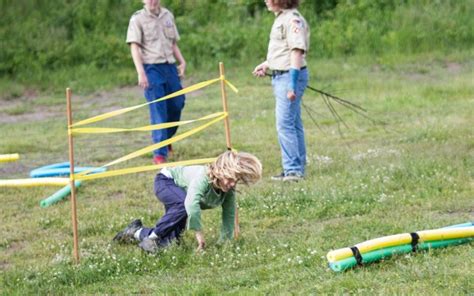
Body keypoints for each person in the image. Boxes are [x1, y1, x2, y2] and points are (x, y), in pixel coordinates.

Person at [113, 151, 262, 253]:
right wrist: (199, 234)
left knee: (170, 244)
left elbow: (229, 216)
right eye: (229, 179)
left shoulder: (228, 190)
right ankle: (151, 239)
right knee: (183, 205)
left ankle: (135, 232)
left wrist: (224, 243)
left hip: (181, 195)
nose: (231, 184)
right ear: (220, 171)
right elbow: (191, 203)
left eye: (235, 180)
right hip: (166, 181)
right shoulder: (203, 177)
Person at [252, 0, 309, 182]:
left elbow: (296, 52)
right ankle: (296, 167)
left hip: (289, 76)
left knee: (285, 124)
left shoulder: (292, 20)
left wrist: (292, 84)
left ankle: (293, 170)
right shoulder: (281, 18)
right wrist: (267, 65)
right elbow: (283, 51)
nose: (266, 1)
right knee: (293, 123)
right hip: (281, 74)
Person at [126, 0, 187, 164]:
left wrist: (182, 61)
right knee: (158, 110)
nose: (153, 1)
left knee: (177, 103)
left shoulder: (168, 15)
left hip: (170, 66)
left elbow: (173, 43)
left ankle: (165, 138)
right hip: (151, 68)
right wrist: (141, 73)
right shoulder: (137, 19)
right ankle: (160, 153)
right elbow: (134, 47)